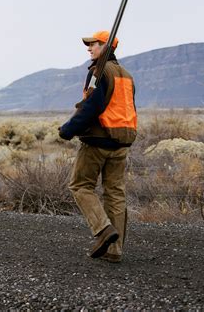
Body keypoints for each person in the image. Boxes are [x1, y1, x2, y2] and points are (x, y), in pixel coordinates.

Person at [59, 30, 137, 263]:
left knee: (80, 185)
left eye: (94, 45)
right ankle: (115, 251)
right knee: (115, 193)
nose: (89, 49)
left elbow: (92, 106)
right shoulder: (127, 75)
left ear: (106, 46)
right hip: (122, 141)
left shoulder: (100, 71)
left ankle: (103, 230)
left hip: (97, 141)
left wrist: (68, 129)